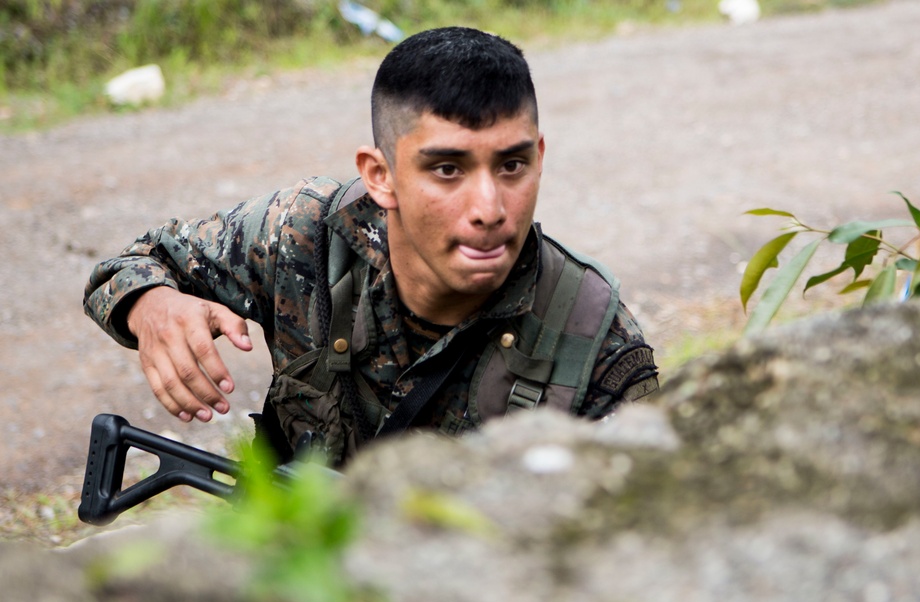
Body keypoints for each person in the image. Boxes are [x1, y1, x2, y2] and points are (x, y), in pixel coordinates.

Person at [83, 26, 659, 467]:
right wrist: (152, 307)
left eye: (512, 165)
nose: (489, 209)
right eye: (448, 170)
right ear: (380, 176)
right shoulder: (303, 235)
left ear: (539, 155)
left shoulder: (595, 346)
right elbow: (130, 264)